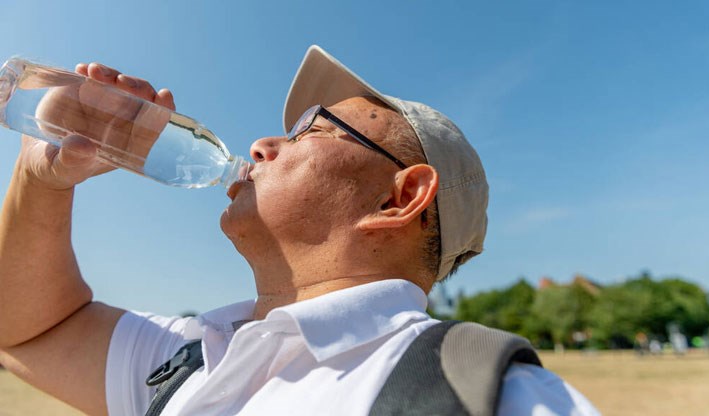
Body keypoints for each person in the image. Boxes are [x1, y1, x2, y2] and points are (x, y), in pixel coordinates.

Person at [0, 46, 599, 415]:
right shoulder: (190, 358)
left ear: (400, 198)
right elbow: (22, 333)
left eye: (315, 129)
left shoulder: (483, 397)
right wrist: (41, 180)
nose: (262, 143)